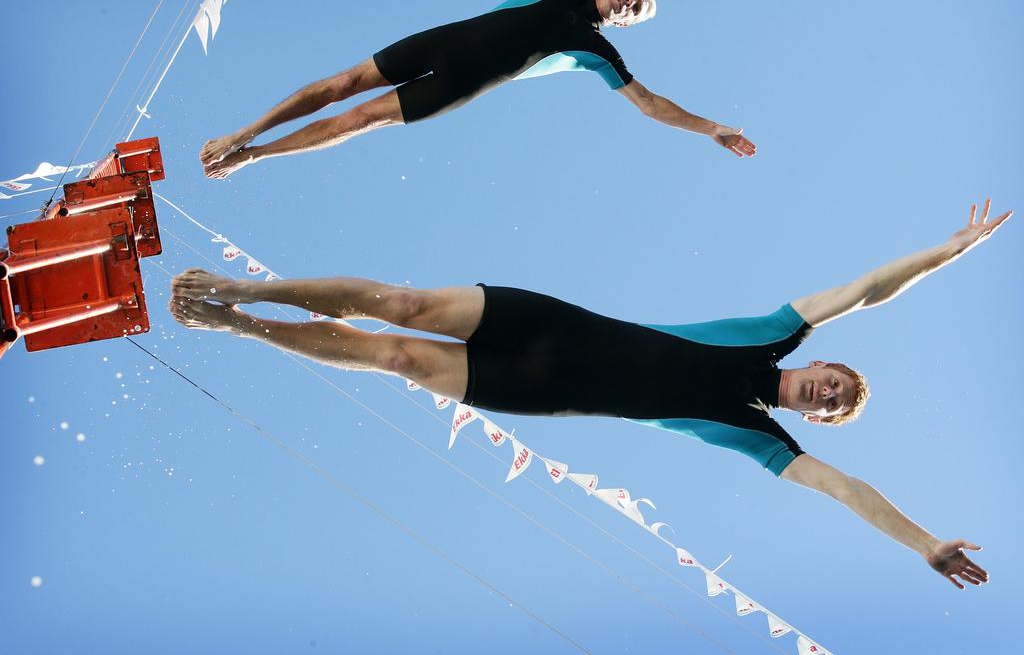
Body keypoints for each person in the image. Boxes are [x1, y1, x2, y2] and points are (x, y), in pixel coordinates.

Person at [170, 199, 1010, 588]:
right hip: (556, 325)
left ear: (810, 414)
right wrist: (950, 250)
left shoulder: (762, 439)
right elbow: (866, 288)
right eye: (836, 381)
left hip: (540, 389)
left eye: (833, 406)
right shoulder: (776, 332)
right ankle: (250, 292)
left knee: (395, 356)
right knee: (405, 305)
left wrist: (926, 544)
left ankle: (239, 327)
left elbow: (847, 491)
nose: (827, 394)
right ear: (822, 365)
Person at [200, 0, 754, 179]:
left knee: (359, 118)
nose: (632, 3)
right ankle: (240, 132)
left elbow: (650, 104)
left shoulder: (597, 50)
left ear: (625, 24)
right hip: (443, 41)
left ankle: (254, 156)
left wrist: (713, 129)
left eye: (637, 10)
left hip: (462, 83)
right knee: (345, 82)